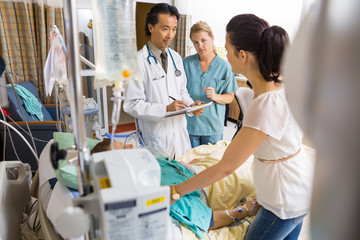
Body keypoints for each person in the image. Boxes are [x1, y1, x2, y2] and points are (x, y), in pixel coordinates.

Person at [171, 14, 314, 240]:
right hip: (298, 186)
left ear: (243, 55)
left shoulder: (265, 103)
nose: (224, 56)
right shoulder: (278, 85)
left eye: (227, 50)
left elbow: (225, 168)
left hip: (284, 199)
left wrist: (176, 191)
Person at [91, 138, 259, 238]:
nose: (130, 146)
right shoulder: (158, 192)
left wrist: (182, 165)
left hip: (197, 168)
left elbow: (169, 162)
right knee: (250, 165)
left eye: (124, 143)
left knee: (227, 147)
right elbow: (209, 220)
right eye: (124, 150)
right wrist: (244, 210)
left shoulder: (146, 161)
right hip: (212, 185)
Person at [124, 3, 203, 159]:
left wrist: (191, 106)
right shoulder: (137, 62)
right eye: (165, 28)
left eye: (174, 29)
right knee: (161, 180)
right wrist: (165, 109)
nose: (170, 35)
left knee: (182, 175)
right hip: (156, 137)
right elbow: (131, 104)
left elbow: (182, 92)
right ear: (151, 27)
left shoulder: (176, 58)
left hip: (179, 134)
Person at [183, 21, 238, 147]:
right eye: (195, 42)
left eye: (203, 40)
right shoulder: (185, 64)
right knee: (188, 163)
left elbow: (230, 96)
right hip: (189, 124)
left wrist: (215, 96)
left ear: (212, 38)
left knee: (209, 163)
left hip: (212, 127)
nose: (200, 45)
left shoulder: (224, 67)